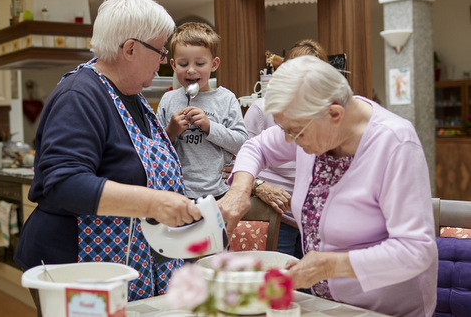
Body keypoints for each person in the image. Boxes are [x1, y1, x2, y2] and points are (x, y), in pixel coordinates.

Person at [14, 0, 202, 311]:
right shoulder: (81, 95)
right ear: (130, 49)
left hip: (121, 260)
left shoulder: (132, 95)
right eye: (160, 51)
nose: (162, 61)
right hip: (76, 265)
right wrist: (154, 202)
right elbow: (64, 183)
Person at [219, 55, 437, 317]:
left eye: (295, 132)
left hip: (387, 310)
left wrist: (330, 266)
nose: (288, 140)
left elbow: (416, 250)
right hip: (329, 306)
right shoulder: (313, 123)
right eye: (284, 129)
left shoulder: (395, 144)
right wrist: (239, 191)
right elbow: (257, 146)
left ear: (335, 113)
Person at [244, 39, 328, 259]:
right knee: (279, 283)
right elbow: (235, 165)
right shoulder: (261, 109)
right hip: (276, 215)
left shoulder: (324, 117)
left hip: (312, 218)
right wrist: (260, 187)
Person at [156, 22, 248, 200]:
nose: (191, 70)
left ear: (214, 64)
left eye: (199, 63)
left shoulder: (226, 99)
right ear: (174, 65)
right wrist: (171, 131)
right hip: (177, 191)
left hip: (219, 192)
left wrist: (209, 126)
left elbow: (242, 144)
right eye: (183, 64)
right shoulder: (168, 100)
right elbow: (155, 149)